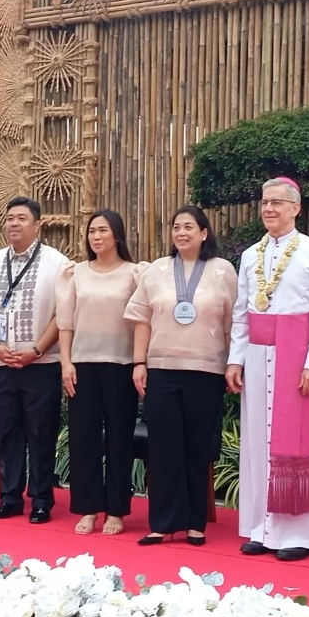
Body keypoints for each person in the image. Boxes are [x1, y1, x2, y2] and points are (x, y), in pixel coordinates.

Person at [225, 179, 309, 561]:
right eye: (264, 202)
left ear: (296, 208)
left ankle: (300, 533)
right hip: (259, 357)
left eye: (277, 202)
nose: (269, 209)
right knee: (259, 441)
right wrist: (236, 358)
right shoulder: (250, 255)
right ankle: (261, 528)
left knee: (298, 441)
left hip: (298, 359)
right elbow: (241, 313)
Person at [129, 204, 237, 547]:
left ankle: (194, 523)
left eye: (189, 227)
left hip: (207, 370)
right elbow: (142, 319)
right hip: (162, 369)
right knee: (163, 446)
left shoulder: (222, 270)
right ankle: (162, 523)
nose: (181, 232)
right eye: (177, 227)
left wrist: (233, 364)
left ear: (204, 233)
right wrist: (139, 363)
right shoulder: (157, 270)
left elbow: (233, 324)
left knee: (197, 446)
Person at [0, 196, 70, 524]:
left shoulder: (57, 263)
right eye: (10, 218)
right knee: (6, 433)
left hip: (41, 363)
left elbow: (63, 314)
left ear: (37, 224)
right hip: (0, 362)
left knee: (41, 433)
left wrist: (37, 350)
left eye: (22, 218)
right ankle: (9, 497)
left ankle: (41, 499)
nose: (14, 223)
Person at [56, 210, 145, 536]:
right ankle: (88, 508)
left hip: (121, 364)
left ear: (116, 235)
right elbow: (66, 323)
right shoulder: (75, 273)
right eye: (92, 231)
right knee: (83, 439)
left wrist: (140, 362)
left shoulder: (135, 274)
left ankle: (116, 510)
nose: (96, 237)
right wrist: (66, 363)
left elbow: (143, 321)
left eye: (102, 230)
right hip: (82, 364)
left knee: (120, 439)